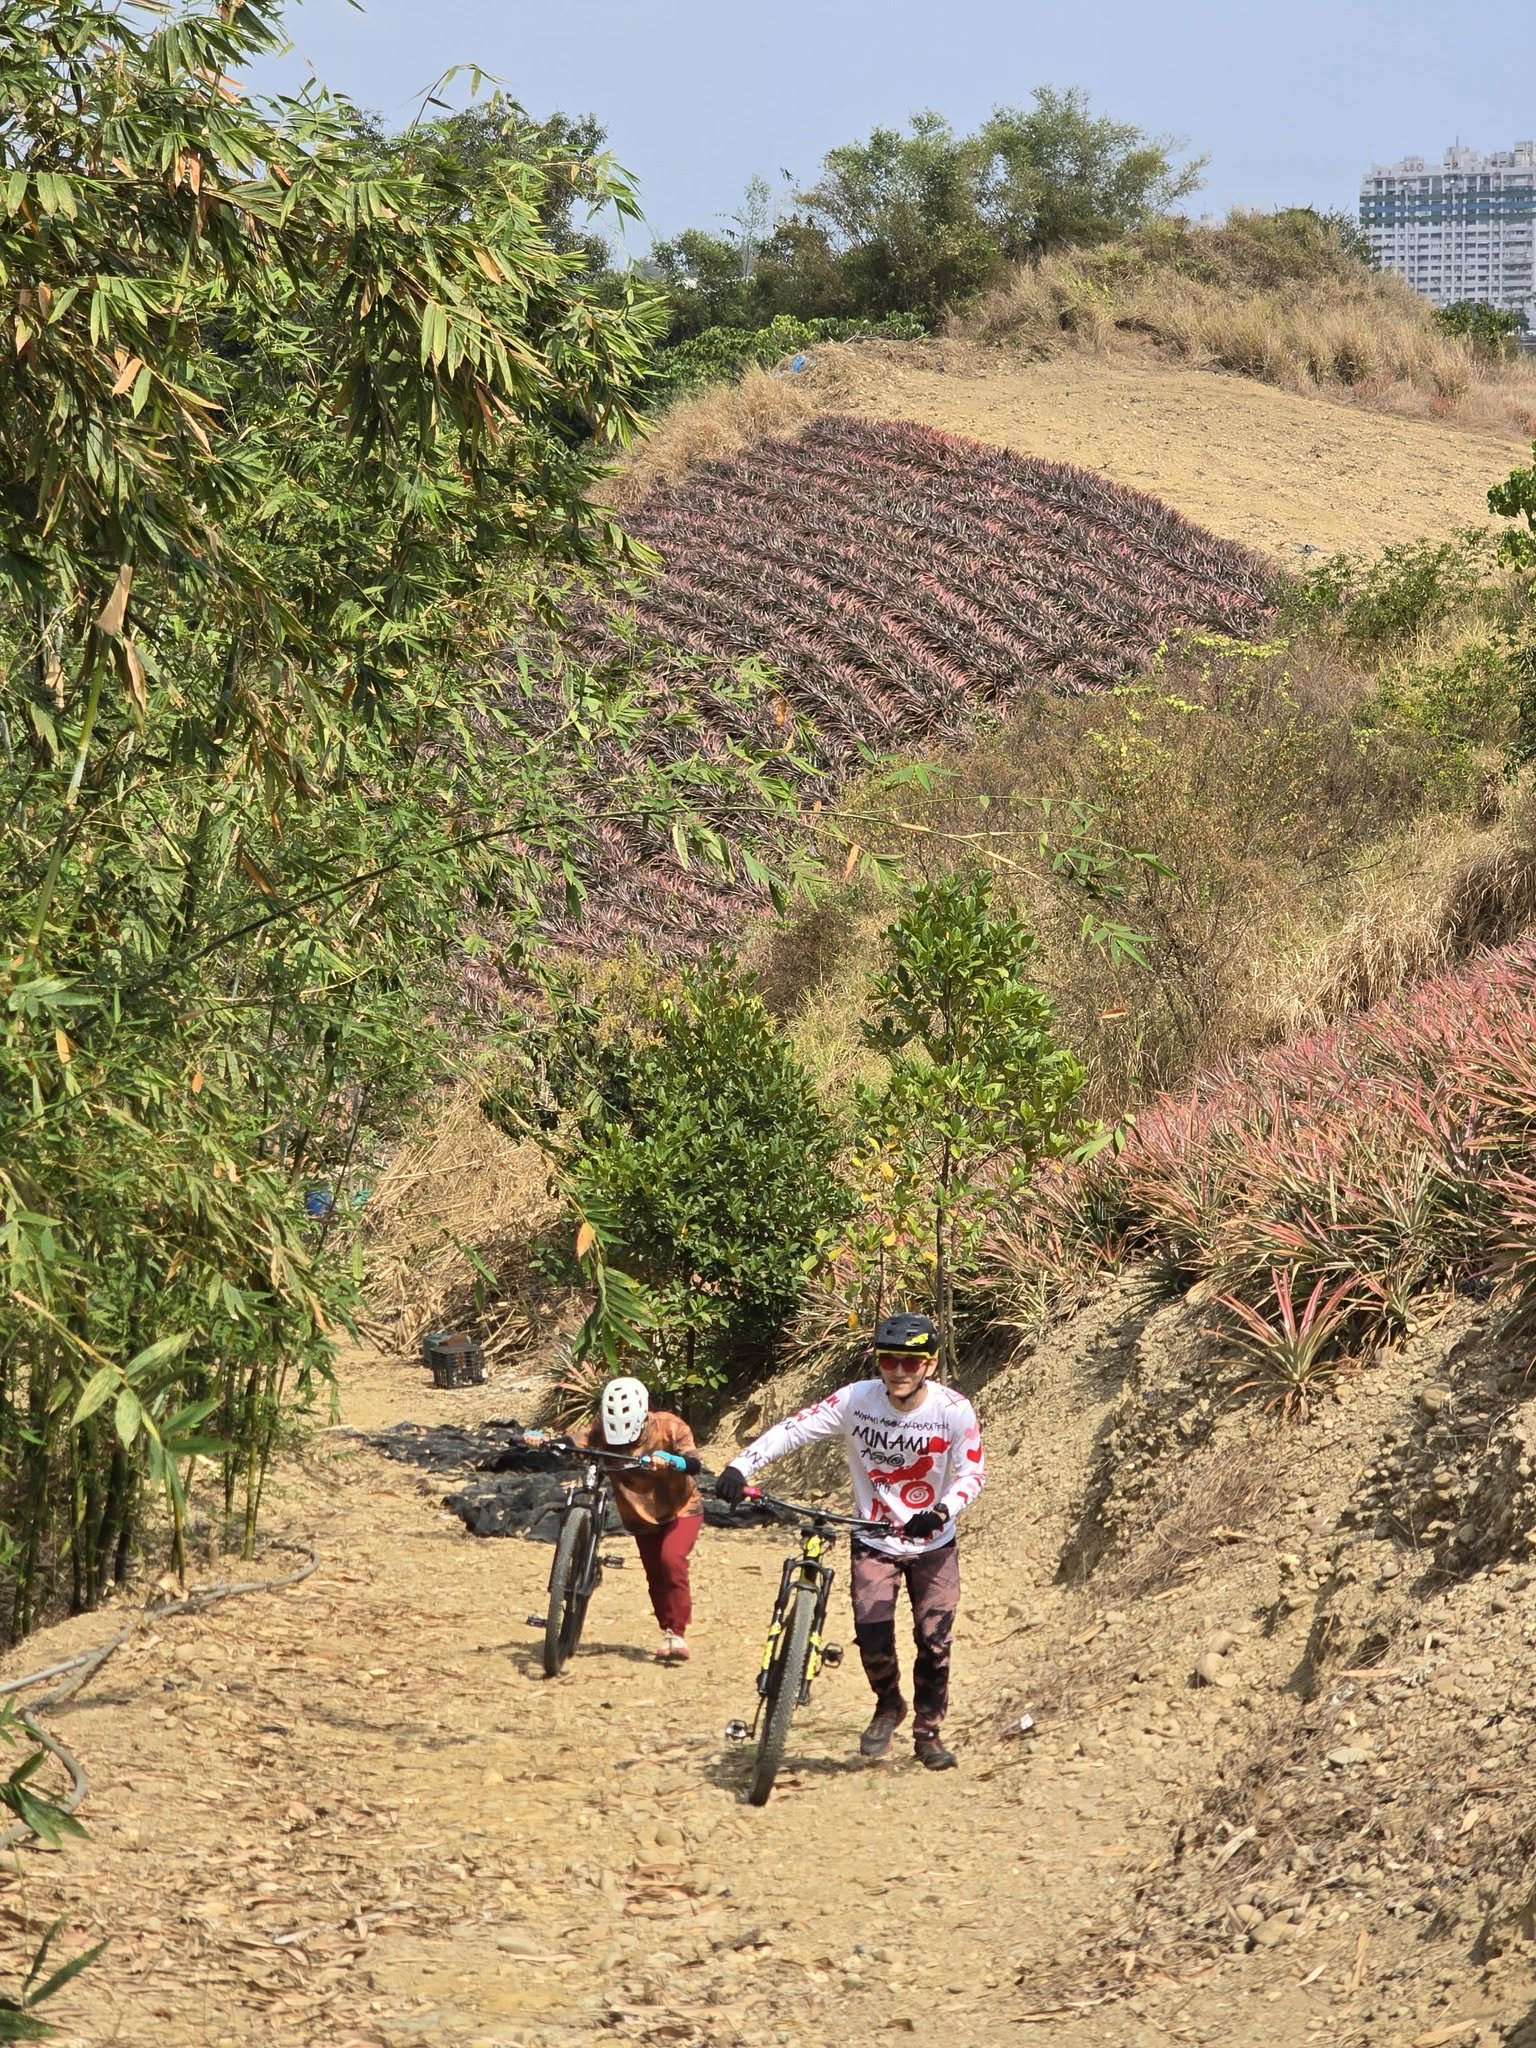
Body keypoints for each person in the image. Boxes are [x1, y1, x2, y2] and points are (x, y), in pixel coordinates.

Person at [715, 1313, 984, 1770]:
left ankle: (928, 1733)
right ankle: (888, 1705)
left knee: (933, 1641)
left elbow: (972, 1472)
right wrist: (741, 1466)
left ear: (930, 1365)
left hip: (933, 1541)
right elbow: (795, 1429)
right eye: (888, 1359)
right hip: (873, 1536)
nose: (899, 1370)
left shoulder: (953, 1410)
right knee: (872, 1634)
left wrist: (940, 1510)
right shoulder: (856, 1400)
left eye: (910, 1361)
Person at [546, 1376, 704, 1665]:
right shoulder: (601, 1430)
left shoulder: (670, 1427)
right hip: (639, 1514)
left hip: (680, 1508)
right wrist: (551, 1442)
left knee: (671, 1560)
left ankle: (677, 1632)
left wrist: (671, 1460)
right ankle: (667, 1628)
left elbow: (693, 1461)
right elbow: (578, 1439)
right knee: (655, 1574)